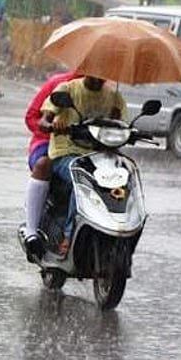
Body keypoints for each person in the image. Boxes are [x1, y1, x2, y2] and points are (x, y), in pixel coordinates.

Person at [39, 76, 127, 256]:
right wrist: (52, 125)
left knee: (124, 179)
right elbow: (43, 122)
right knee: (83, 178)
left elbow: (121, 124)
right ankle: (69, 235)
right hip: (65, 154)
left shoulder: (114, 97)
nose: (99, 78)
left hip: (100, 158)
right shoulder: (67, 89)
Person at [22, 71, 81, 259]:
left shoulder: (108, 94)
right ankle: (32, 232)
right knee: (44, 164)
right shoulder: (59, 84)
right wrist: (52, 129)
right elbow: (32, 117)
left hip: (86, 149)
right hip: (48, 144)